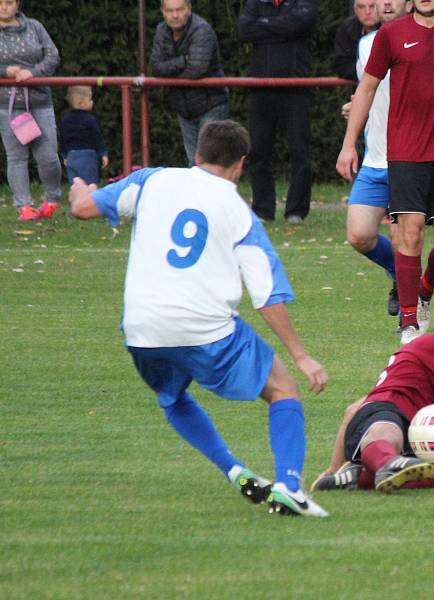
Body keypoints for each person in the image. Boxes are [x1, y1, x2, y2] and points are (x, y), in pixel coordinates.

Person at [68, 120, 329, 518]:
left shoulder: (151, 179)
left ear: (196, 155)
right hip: (205, 328)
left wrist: (81, 191)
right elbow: (266, 293)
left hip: (142, 327)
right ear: (241, 165)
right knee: (283, 390)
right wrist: (301, 355)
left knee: (172, 398)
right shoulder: (237, 210)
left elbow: (83, 208)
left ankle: (233, 469)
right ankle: (290, 487)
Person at [336, 0, 434, 345]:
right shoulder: (391, 35)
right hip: (405, 153)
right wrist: (349, 144)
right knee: (410, 235)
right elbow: (366, 88)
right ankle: (409, 324)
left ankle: (423, 292)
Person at [311, 309, 434, 494]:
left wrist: (334, 470)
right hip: (384, 417)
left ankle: (359, 478)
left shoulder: (420, 370)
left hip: (405, 438)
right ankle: (388, 462)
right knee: (388, 432)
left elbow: (352, 410)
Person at [342, 0, 413, 324]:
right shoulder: (367, 44)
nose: (385, 2)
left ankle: (410, 324)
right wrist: (355, 111)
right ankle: (401, 275)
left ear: (410, 3)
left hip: (411, 158)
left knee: (405, 241)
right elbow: (368, 91)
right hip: (374, 159)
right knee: (359, 235)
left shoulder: (428, 41)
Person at [239, 0, 318, 224]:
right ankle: (263, 210)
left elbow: (299, 25)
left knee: (300, 152)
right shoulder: (255, 2)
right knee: (258, 152)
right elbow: (245, 29)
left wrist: (263, 26)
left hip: (295, 89)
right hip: (260, 90)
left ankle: (296, 211)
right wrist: (282, 28)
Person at [0, 1, 61, 221]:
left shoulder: (35, 27)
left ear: (17, 4)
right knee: (16, 157)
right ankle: (23, 206)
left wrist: (33, 72)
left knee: (49, 156)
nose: (3, 7)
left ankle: (52, 198)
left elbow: (53, 55)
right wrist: (5, 71)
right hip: (7, 106)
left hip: (39, 101)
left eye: (8, 2)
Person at [150, 0, 229, 166]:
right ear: (162, 11)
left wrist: (170, 72)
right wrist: (183, 61)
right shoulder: (161, 30)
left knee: (209, 162)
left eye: (179, 9)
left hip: (211, 104)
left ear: (189, 9)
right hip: (184, 108)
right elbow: (156, 67)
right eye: (170, 10)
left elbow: (196, 70)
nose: (175, 15)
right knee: (194, 163)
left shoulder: (202, 30)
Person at [59, 86, 108, 185]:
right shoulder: (90, 119)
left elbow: (63, 138)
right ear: (81, 104)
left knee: (75, 185)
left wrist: (64, 155)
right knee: (90, 185)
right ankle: (89, 200)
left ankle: (76, 200)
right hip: (88, 157)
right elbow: (97, 137)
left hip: (71, 156)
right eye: (90, 99)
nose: (92, 102)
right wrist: (103, 153)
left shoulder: (65, 120)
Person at [333, 0, 380, 81]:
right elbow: (341, 65)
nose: (367, 12)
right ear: (355, 10)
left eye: (372, 6)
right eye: (361, 7)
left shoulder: (395, 28)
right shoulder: (346, 30)